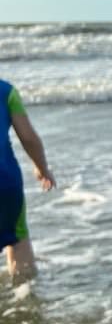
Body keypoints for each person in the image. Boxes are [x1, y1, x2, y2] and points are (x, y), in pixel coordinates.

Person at [0, 79, 55, 283]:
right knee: (17, 240)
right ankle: (25, 294)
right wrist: (42, 168)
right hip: (5, 183)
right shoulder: (6, 91)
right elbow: (29, 138)